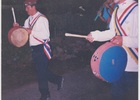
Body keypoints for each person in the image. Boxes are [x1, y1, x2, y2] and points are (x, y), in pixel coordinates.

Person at [86, 0, 138, 100]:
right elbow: (111, 32)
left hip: (134, 65)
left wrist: (124, 40)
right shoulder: (116, 10)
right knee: (117, 95)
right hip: (118, 61)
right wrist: (95, 35)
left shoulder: (137, 10)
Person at [13, 0, 64, 100]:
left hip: (42, 48)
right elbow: (25, 31)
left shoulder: (42, 19)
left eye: (27, 7)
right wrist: (18, 27)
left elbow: (46, 35)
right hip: (34, 48)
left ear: (33, 7)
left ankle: (45, 95)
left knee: (41, 73)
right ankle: (58, 79)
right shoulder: (28, 20)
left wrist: (31, 31)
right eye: (25, 7)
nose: (25, 9)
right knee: (41, 71)